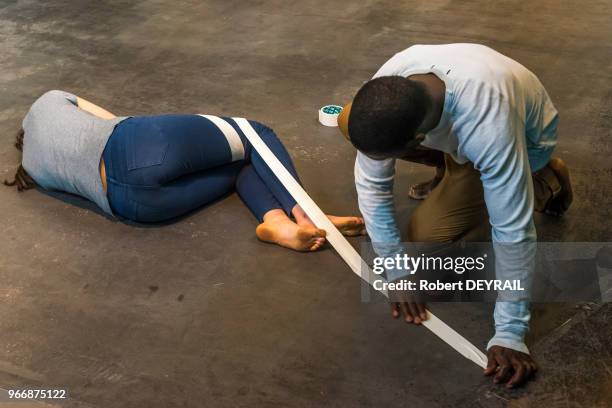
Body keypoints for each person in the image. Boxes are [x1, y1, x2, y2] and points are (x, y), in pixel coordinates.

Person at [337, 44, 573, 388]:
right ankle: (450, 169)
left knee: (428, 239)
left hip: (525, 140)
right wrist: (396, 268)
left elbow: (513, 230)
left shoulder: (489, 122)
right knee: (352, 121)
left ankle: (545, 178)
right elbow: (372, 185)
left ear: (419, 141)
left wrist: (510, 331)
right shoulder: (393, 79)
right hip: (459, 131)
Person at [4, 90, 365, 252]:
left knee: (240, 159)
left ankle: (279, 224)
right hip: (133, 146)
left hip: (135, 205)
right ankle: (306, 214)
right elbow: (110, 118)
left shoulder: (34, 170)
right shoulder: (47, 101)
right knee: (257, 135)